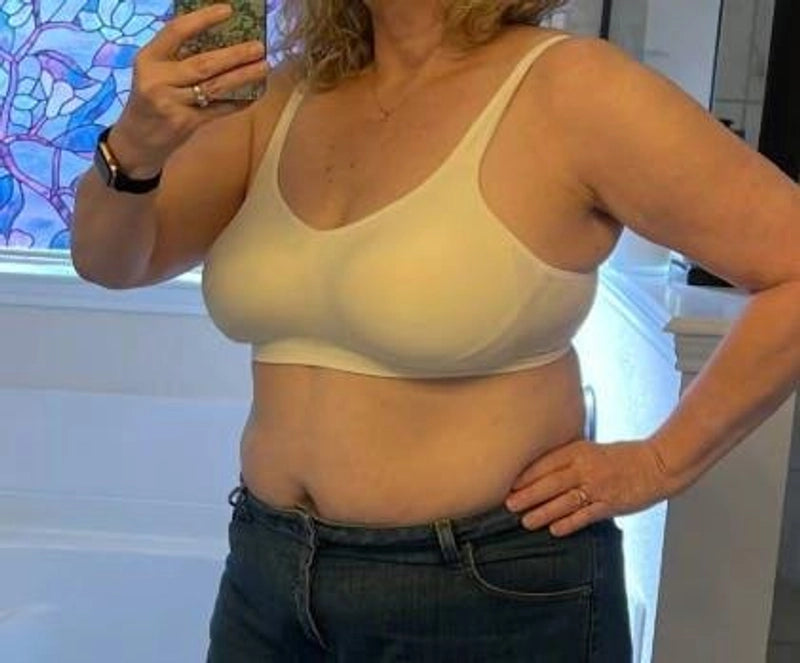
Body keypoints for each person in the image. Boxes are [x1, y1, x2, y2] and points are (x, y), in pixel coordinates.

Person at [71, 0, 800, 661]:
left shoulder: (573, 89)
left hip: (486, 592)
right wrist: (135, 149)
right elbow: (112, 261)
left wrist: (660, 463)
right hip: (269, 572)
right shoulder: (283, 96)